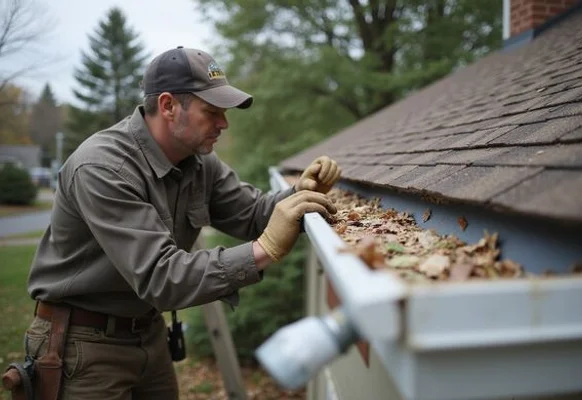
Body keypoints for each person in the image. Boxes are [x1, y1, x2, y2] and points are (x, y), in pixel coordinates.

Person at [21, 46, 342, 400]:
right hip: (80, 345)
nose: (224, 123)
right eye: (212, 112)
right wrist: (264, 250)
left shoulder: (199, 161)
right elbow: (162, 276)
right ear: (168, 106)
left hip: (148, 333)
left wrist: (298, 194)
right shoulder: (103, 169)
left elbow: (253, 214)